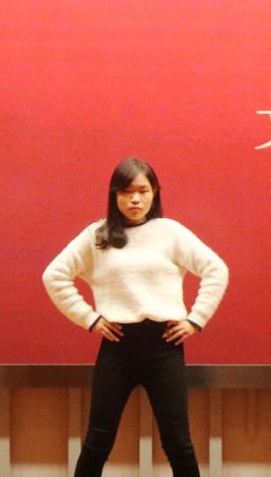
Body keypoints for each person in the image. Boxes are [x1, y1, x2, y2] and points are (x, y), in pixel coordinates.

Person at [42, 157, 229, 477]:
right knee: (98, 441)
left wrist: (196, 319)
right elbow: (54, 276)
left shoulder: (170, 232)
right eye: (127, 192)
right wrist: (89, 318)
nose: (135, 200)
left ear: (155, 193)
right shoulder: (98, 235)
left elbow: (216, 269)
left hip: (164, 345)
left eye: (143, 191)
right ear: (114, 195)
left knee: (178, 443)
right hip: (118, 345)